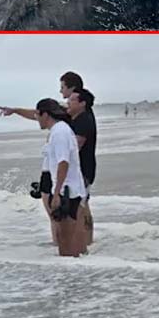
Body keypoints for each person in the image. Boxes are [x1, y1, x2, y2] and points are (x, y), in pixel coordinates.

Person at [36, 98, 88, 257]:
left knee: (64, 240)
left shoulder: (59, 132)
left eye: (37, 115)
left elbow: (63, 162)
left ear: (45, 114)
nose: (36, 119)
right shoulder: (62, 129)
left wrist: (56, 192)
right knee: (71, 239)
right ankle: (80, 273)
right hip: (72, 189)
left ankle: (70, 278)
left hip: (67, 191)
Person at [67, 87, 97, 249]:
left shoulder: (83, 120)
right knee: (83, 206)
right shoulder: (78, 118)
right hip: (85, 169)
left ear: (82, 103)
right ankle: (87, 242)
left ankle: (83, 244)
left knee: (80, 207)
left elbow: (75, 147)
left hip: (83, 170)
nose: (67, 103)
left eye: (72, 100)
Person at [0, 71, 84, 122]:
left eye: (62, 87)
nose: (60, 91)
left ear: (72, 88)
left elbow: (78, 142)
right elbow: (40, 114)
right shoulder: (69, 110)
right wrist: (15, 110)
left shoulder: (81, 114)